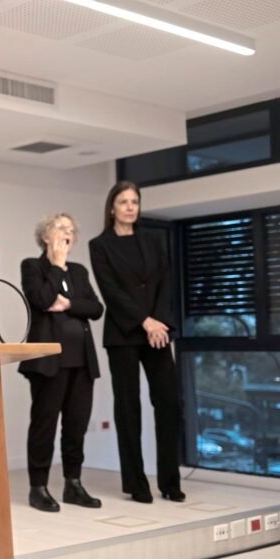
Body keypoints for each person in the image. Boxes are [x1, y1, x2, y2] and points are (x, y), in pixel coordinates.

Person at [88, 181, 185, 504]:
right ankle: (136, 484)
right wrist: (145, 321)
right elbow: (111, 291)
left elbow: (165, 284)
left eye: (134, 201)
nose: (130, 207)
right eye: (123, 202)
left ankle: (170, 482)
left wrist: (158, 322)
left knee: (169, 404)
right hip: (124, 334)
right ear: (112, 208)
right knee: (129, 409)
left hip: (158, 332)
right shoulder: (100, 245)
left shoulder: (153, 240)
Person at [19, 213, 104, 512]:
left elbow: (96, 308)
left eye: (71, 229)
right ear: (46, 236)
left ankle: (73, 484)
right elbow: (41, 299)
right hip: (48, 362)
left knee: (76, 426)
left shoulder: (79, 271)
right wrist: (56, 266)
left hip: (82, 362)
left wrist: (68, 304)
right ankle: (38, 487)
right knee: (44, 424)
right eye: (60, 228)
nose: (67, 232)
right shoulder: (33, 267)